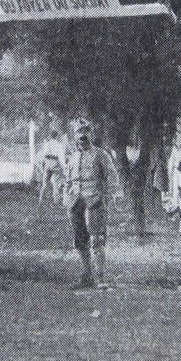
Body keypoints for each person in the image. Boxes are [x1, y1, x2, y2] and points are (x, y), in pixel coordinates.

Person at [63, 118, 120, 289]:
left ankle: (100, 277)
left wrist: (108, 196)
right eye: (79, 133)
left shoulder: (101, 155)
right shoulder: (72, 158)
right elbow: (68, 180)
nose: (83, 136)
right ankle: (86, 275)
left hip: (94, 200)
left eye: (86, 132)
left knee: (97, 239)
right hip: (75, 202)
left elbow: (112, 177)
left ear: (91, 134)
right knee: (80, 240)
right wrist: (66, 194)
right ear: (74, 136)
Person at [37, 128, 66, 207]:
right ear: (57, 137)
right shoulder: (58, 145)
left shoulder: (47, 144)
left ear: (50, 136)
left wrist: (43, 164)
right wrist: (64, 167)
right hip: (55, 163)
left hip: (47, 163)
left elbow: (44, 155)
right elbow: (61, 157)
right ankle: (56, 203)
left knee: (45, 183)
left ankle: (41, 201)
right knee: (56, 184)